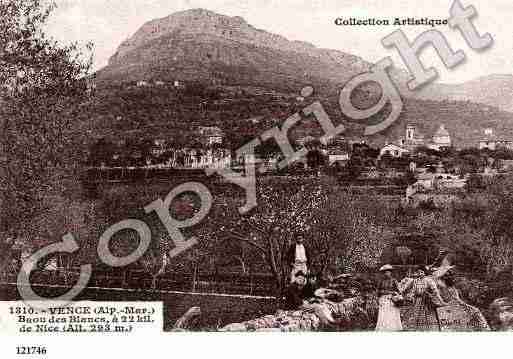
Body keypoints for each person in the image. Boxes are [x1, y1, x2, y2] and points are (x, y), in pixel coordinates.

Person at [435, 265, 490, 331]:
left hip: (456, 305)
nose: (451, 277)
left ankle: (483, 329)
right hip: (448, 307)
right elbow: (437, 278)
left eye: (451, 274)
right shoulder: (441, 285)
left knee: (475, 312)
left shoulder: (452, 287)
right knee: (474, 313)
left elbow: (457, 299)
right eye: (448, 274)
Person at [375, 264, 403, 331]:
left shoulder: (394, 280)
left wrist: (396, 293)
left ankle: (393, 327)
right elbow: (378, 291)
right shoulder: (381, 281)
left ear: (391, 272)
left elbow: (399, 291)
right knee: (383, 314)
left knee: (392, 313)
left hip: (392, 300)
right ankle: (383, 328)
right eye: (385, 272)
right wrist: (379, 296)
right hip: (383, 299)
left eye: (388, 272)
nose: (386, 273)